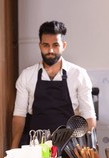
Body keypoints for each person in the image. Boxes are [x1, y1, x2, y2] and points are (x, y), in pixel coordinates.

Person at [11, 20, 96, 148]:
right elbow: (19, 116)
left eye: (55, 45)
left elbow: (88, 117)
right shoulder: (27, 76)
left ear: (64, 45)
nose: (50, 50)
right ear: (40, 45)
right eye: (46, 45)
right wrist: (14, 149)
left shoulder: (79, 75)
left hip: (71, 148)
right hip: (35, 148)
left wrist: (92, 149)